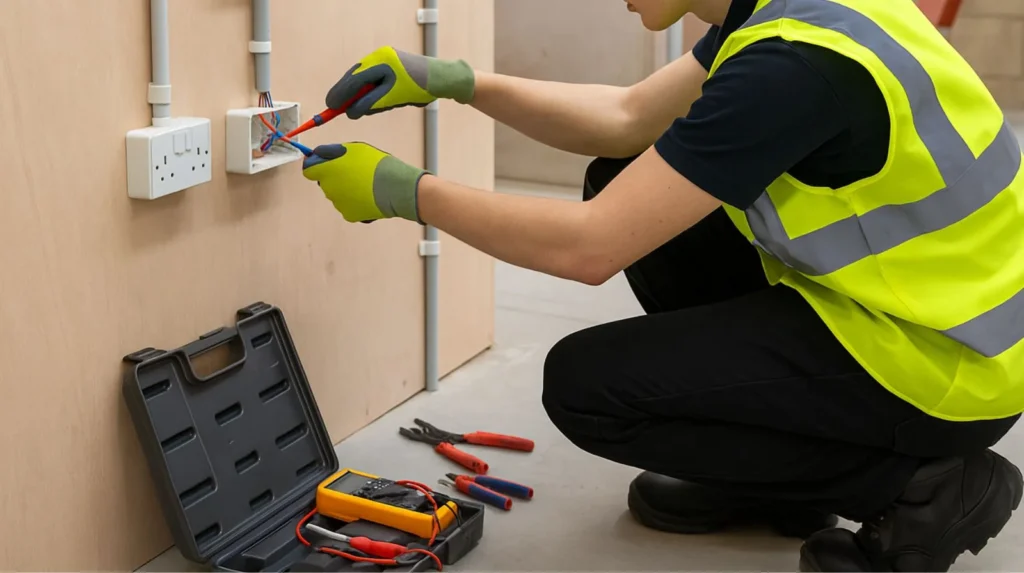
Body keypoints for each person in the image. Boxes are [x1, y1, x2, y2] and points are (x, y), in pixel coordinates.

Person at [300, 0, 1024, 570]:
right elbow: (624, 120)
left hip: (946, 365)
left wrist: (408, 192)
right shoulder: (781, 14)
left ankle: (919, 489)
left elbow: (589, 247)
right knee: (619, 174)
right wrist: (456, 81)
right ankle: (774, 477)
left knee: (588, 387)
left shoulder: (792, 69)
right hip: (922, 312)